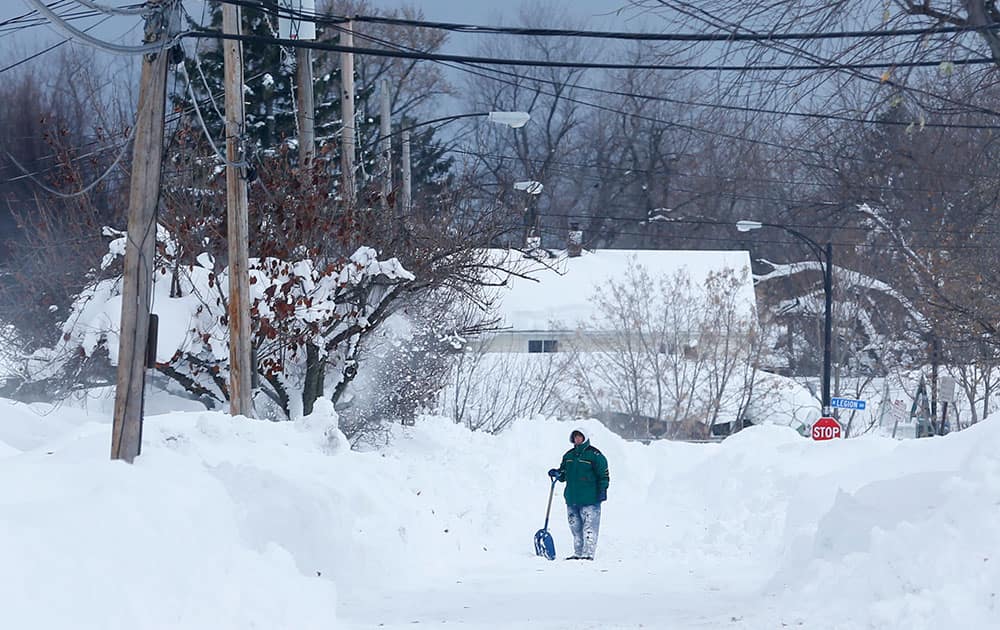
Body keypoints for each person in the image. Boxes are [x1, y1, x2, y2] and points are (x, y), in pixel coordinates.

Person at [548, 428, 610, 560]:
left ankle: (588, 554)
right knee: (575, 528)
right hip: (572, 497)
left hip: (590, 498)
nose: (577, 439)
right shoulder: (569, 455)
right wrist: (557, 473)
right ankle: (578, 553)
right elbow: (564, 474)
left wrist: (603, 490)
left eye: (580, 437)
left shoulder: (595, 455)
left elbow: (603, 474)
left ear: (585, 438)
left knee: (589, 528)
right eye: (575, 437)